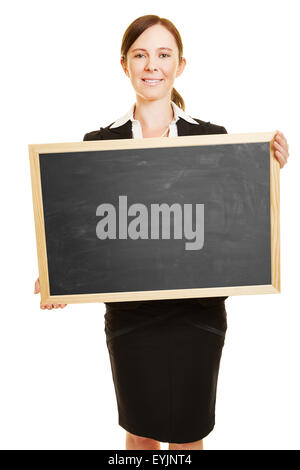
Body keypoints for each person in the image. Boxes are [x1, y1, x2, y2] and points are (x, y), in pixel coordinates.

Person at [34, 14, 290, 451]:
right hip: (133, 318)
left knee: (190, 433)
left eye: (163, 55)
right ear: (125, 65)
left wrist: (265, 169)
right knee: (140, 430)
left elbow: (231, 219)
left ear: (180, 65)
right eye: (141, 55)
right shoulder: (98, 143)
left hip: (198, 314)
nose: (152, 65)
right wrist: (57, 272)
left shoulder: (214, 138)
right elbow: (83, 225)